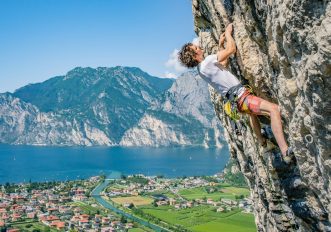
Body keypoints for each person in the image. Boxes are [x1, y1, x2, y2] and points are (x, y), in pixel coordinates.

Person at [178, 23, 294, 162]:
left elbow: (223, 65)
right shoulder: (207, 61)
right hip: (242, 98)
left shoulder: (201, 70)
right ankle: (285, 151)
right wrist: (228, 34)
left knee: (252, 115)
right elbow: (232, 49)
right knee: (274, 109)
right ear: (194, 54)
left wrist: (221, 45)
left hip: (237, 102)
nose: (199, 47)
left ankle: (263, 143)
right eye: (196, 48)